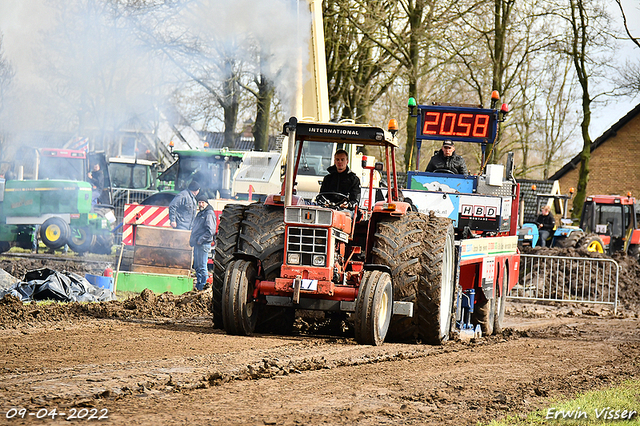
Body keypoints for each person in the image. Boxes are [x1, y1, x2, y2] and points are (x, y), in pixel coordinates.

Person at [190, 193, 216, 291]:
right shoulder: (201, 213)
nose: (200, 204)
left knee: (202, 266)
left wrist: (200, 240)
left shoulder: (208, 213)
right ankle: (199, 286)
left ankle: (203, 286)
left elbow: (211, 231)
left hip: (203, 244)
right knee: (197, 266)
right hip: (198, 243)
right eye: (199, 202)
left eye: (202, 202)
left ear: (206, 203)